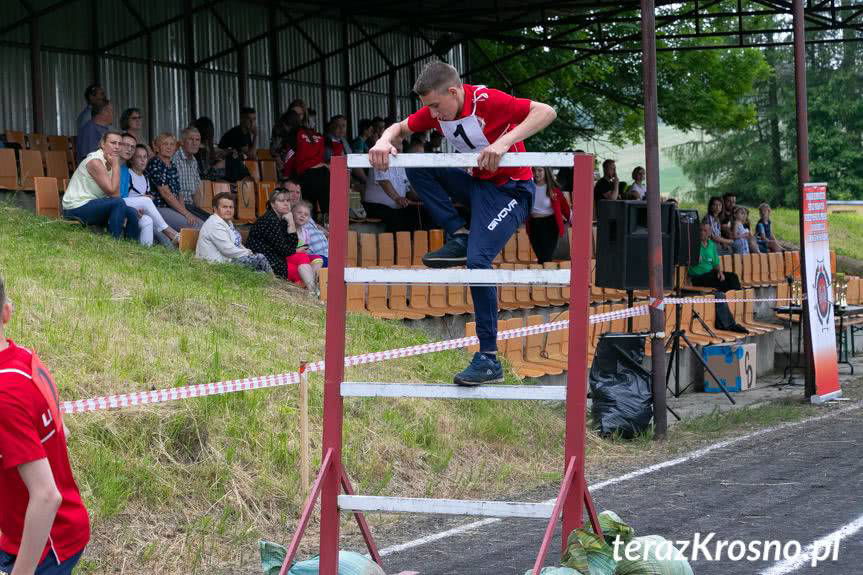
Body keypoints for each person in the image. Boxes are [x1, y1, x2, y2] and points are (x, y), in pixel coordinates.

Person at [369, 60, 556, 386]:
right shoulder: (434, 111)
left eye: (436, 105)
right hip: (477, 186)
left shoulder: (488, 100)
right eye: (428, 107)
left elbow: (546, 111)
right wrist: (384, 140)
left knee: (477, 260)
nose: (433, 114)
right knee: (417, 165)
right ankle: (458, 231)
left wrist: (503, 143)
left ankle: (488, 359)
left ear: (454, 92)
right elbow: (400, 128)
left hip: (511, 190)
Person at [0, 275, 91, 575]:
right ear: (7, 312)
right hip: (23, 530)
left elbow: (46, 496)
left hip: (49, 542)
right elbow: (61, 430)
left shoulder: (4, 395)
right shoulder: (23, 357)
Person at [62, 129, 140, 241]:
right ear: (102, 144)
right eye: (113, 143)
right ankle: (114, 243)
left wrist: (114, 165)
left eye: (120, 143)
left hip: (92, 204)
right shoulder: (95, 161)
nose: (117, 147)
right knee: (118, 203)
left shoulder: (110, 161)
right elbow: (113, 194)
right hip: (75, 208)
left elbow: (116, 195)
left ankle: (131, 246)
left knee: (131, 212)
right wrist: (116, 166)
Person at [145, 132, 208, 231]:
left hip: (173, 207)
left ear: (175, 148)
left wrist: (184, 212)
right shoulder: (155, 163)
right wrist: (186, 214)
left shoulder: (172, 165)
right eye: (165, 144)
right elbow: (166, 194)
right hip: (159, 208)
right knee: (197, 226)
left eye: (172, 144)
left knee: (202, 224)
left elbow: (179, 193)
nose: (169, 147)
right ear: (157, 148)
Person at [196, 193, 273, 273]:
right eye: (225, 207)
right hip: (215, 265)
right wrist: (247, 253)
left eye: (231, 207)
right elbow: (227, 250)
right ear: (215, 209)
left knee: (261, 273)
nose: (229, 210)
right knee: (260, 258)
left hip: (227, 261)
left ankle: (274, 282)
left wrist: (247, 252)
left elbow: (237, 244)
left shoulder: (227, 222)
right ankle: (276, 282)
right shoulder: (214, 223)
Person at [124, 142, 180, 248]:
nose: (143, 160)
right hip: (130, 211)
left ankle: (150, 250)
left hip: (143, 213)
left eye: (145, 157)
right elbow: (123, 196)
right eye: (139, 157)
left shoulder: (145, 177)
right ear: (131, 159)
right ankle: (172, 235)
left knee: (152, 222)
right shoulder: (128, 174)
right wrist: (144, 199)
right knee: (158, 227)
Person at [363, 139, 425, 232]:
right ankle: (396, 245)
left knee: (419, 213)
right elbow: (384, 182)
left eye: (400, 144)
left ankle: (413, 244)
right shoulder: (380, 157)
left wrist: (425, 198)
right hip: (376, 206)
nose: (399, 147)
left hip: (396, 207)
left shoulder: (401, 162)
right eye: (396, 144)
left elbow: (408, 189)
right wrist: (397, 198)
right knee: (397, 220)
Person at [280, 110, 331, 219]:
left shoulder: (294, 135)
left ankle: (309, 233)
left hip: (309, 175)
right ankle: (329, 233)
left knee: (308, 209)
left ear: (287, 124)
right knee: (327, 210)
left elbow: (290, 156)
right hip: (324, 173)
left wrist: (285, 176)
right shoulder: (316, 134)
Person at [246, 188, 301, 280]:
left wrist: (291, 222)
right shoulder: (270, 220)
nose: (286, 204)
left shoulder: (282, 218)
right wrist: (295, 250)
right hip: (266, 264)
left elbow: (292, 245)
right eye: (281, 201)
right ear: (273, 204)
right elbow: (286, 251)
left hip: (277, 260)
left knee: (308, 261)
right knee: (302, 266)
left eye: (288, 200)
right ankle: (312, 291)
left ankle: (313, 291)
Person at [527, 167, 570, 264]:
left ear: (546, 171)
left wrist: (572, 220)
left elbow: (565, 208)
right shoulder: (529, 188)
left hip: (550, 225)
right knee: (540, 256)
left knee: (546, 257)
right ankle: (543, 278)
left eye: (539, 170)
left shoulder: (554, 190)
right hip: (534, 225)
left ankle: (545, 278)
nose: (536, 173)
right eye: (534, 170)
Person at [285, 201, 326, 292]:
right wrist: (299, 250)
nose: (303, 216)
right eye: (299, 213)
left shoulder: (305, 232)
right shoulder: (288, 228)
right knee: (303, 257)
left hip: (301, 257)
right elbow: (285, 248)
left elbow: (306, 248)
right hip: (290, 256)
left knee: (318, 259)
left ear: (308, 219)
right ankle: (312, 289)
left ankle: (310, 282)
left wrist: (305, 251)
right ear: (292, 214)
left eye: (306, 215)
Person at [688, 222, 742, 291]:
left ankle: (739, 298)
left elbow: (716, 263)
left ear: (710, 233)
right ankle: (731, 300)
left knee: (733, 277)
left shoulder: (712, 245)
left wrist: (720, 272)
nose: (702, 232)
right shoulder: (692, 244)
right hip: (697, 277)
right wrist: (694, 258)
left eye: (705, 231)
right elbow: (689, 260)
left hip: (710, 274)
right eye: (700, 230)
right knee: (724, 284)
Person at [173, 127, 202, 205]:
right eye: (191, 139)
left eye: (197, 140)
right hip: (179, 206)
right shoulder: (175, 159)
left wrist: (199, 210)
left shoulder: (194, 161)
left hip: (191, 206)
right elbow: (176, 192)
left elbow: (196, 190)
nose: (194, 143)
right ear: (182, 142)